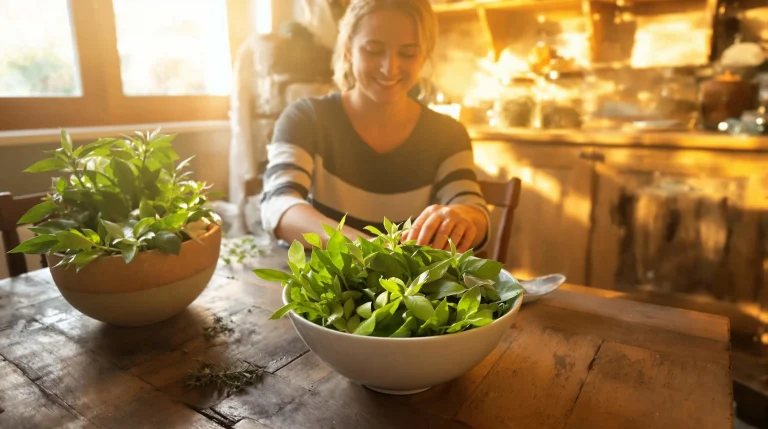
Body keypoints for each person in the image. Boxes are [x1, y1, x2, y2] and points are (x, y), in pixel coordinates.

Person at [259, 0, 490, 253]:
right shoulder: (306, 118)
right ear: (348, 50)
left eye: (408, 53)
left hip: (411, 292)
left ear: (424, 55)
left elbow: (473, 211)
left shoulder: (448, 134)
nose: (389, 67)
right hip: (325, 289)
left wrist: (460, 217)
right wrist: (365, 249)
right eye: (373, 50)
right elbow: (278, 204)